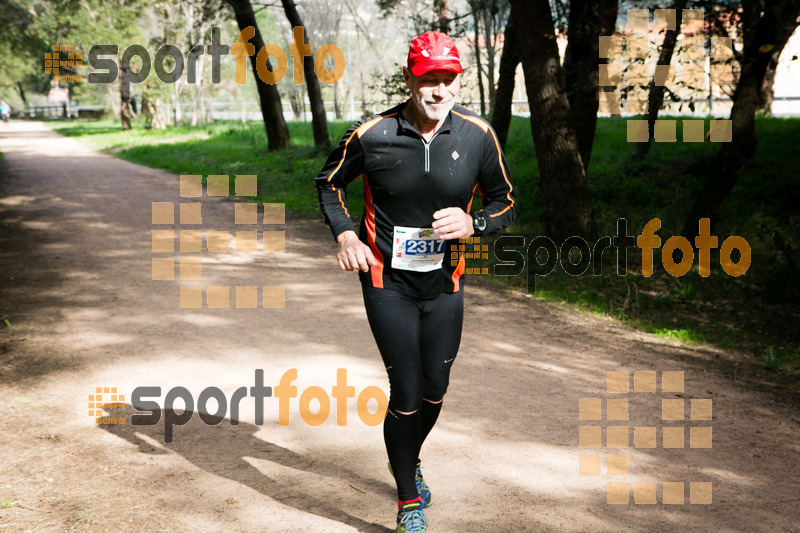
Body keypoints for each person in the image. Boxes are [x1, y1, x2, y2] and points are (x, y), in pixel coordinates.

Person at [315, 31, 515, 533]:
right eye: (429, 78)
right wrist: (345, 236)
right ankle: (408, 500)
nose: (439, 89)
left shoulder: (477, 136)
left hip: (446, 283)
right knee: (404, 390)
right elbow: (329, 184)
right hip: (387, 282)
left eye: (448, 79)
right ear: (409, 78)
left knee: (435, 388)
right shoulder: (372, 134)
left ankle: (406, 456)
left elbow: (505, 200)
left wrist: (477, 224)